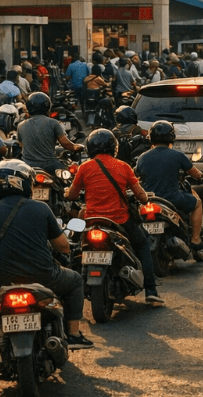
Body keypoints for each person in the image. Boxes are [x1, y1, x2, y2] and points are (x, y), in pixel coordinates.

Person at [0, 160, 93, 350]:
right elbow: (63, 247)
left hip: (1, 280)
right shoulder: (41, 208)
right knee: (75, 281)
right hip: (44, 277)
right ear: (24, 182)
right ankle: (74, 335)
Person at [65, 129, 163, 306]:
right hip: (120, 221)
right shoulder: (123, 166)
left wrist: (67, 193)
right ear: (114, 147)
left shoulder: (84, 167)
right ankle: (151, 291)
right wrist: (145, 198)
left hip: (92, 220)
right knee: (143, 245)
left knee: (75, 246)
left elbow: (72, 195)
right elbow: (141, 197)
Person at [134, 121, 203, 251]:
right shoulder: (178, 155)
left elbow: (135, 174)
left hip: (149, 200)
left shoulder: (142, 157)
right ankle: (196, 240)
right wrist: (200, 176)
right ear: (171, 137)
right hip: (172, 198)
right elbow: (196, 174)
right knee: (197, 203)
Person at [17, 92, 84, 172]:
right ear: (47, 106)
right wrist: (78, 147)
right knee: (69, 175)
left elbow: (21, 145)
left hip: (27, 166)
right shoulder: (53, 123)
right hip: (49, 164)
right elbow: (66, 145)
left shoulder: (20, 125)